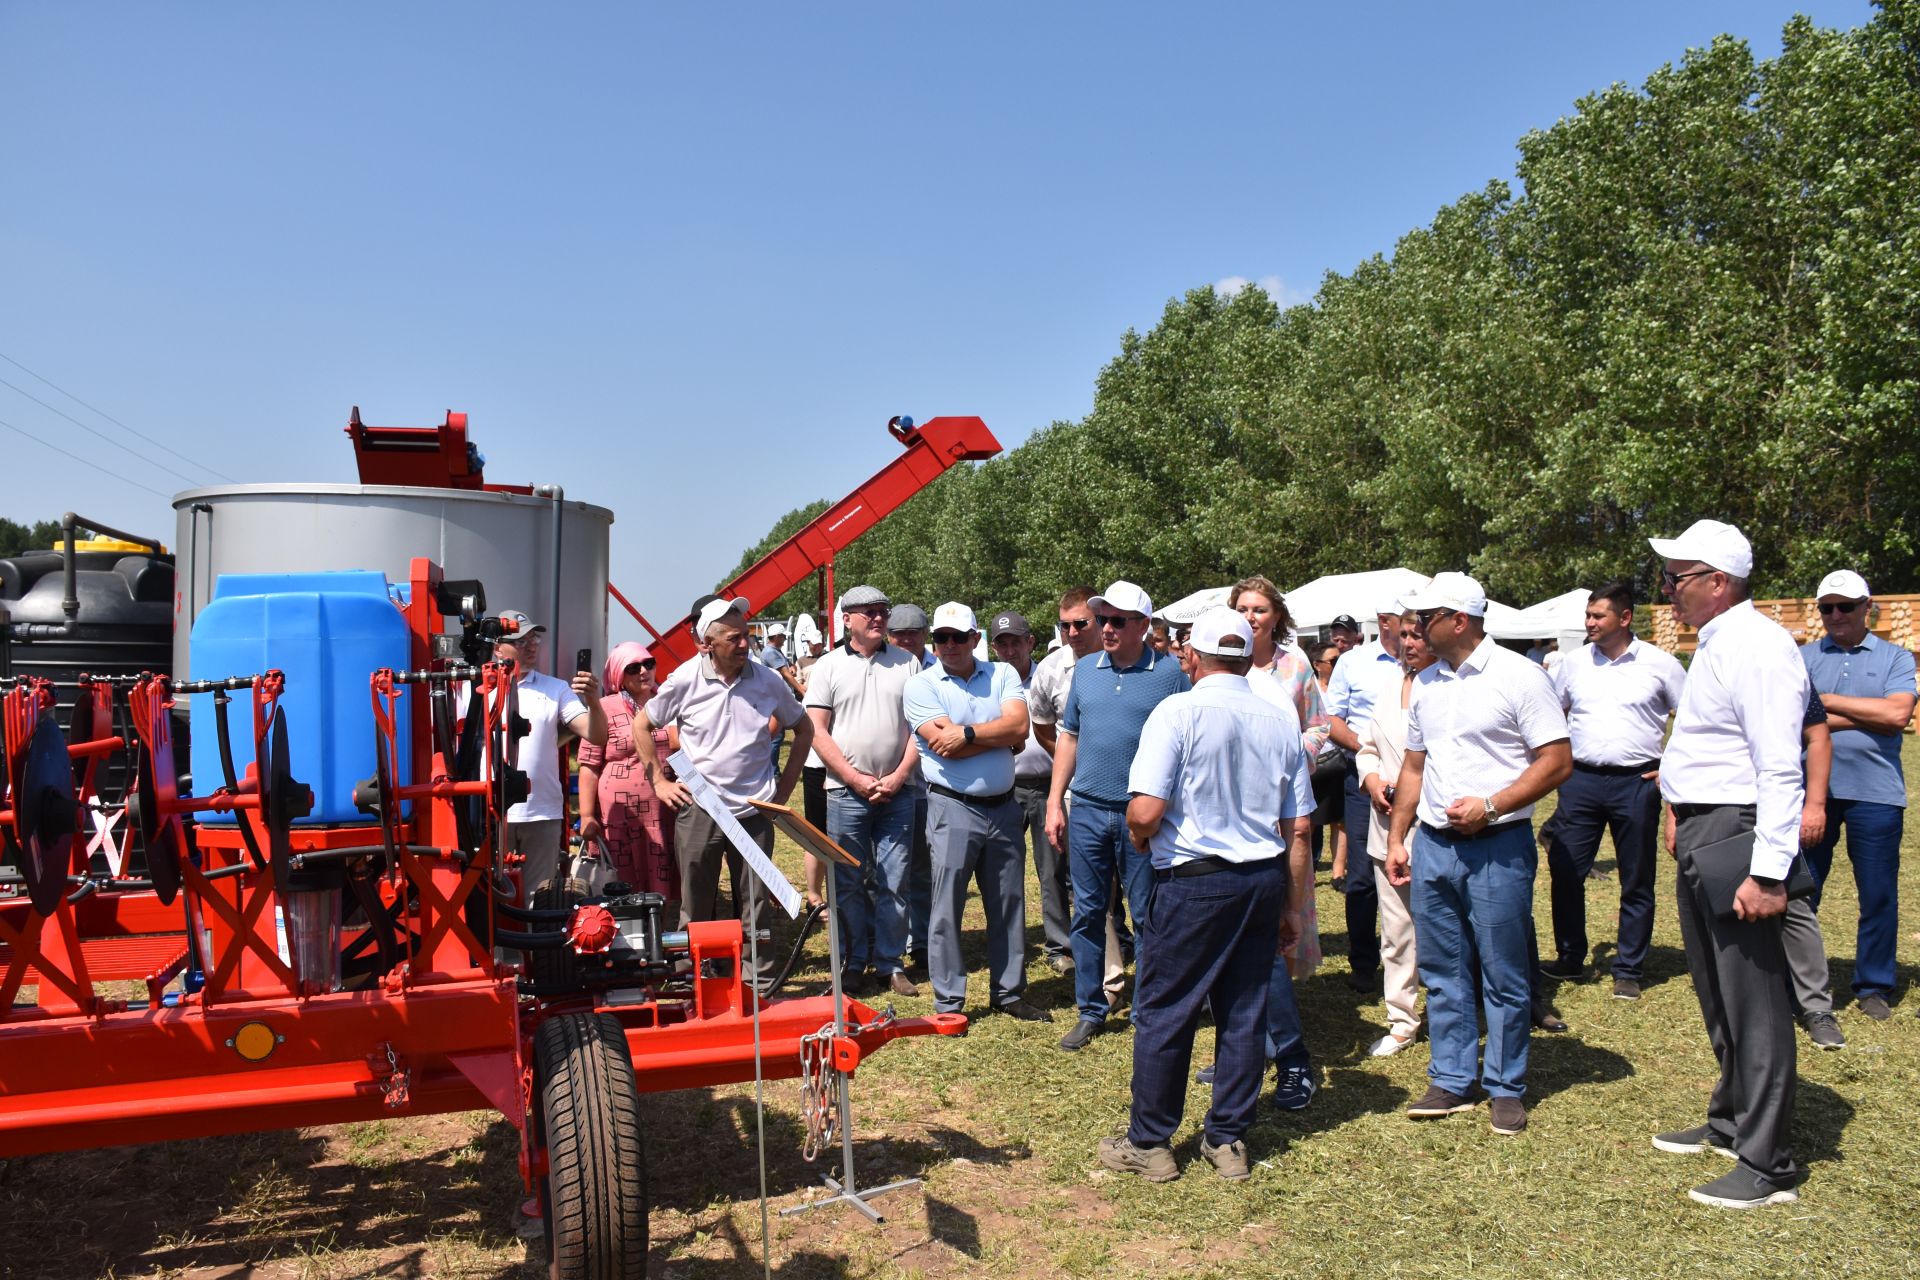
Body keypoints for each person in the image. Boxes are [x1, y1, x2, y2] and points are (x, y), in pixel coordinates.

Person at [1095, 607, 1312, 1183]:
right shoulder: (1279, 718)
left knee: (1167, 1009)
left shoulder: (1178, 710)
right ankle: (1228, 1140)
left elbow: (1145, 808)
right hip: (1260, 878)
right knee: (1244, 1010)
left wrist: (1140, 837)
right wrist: (1292, 907)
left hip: (1195, 881)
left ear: (1192, 656)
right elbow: (1299, 827)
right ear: (1245, 655)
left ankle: (1151, 1142)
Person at [1647, 519, 1806, 1209]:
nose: (1667, 592)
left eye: (1676, 579)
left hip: (1737, 832)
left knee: (1756, 1002)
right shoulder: (1717, 643)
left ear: (1719, 582)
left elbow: (1779, 766)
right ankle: (1732, 1117)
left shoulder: (1760, 648)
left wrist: (1768, 873)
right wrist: (1679, 812)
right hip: (1705, 827)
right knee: (1717, 991)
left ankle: (1768, 1162)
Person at [1384, 572, 1571, 1137]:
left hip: (1498, 846)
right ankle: (1452, 1076)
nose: (1414, 629)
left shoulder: (1520, 676)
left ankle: (1505, 1085)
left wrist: (1492, 805)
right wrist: (1398, 836)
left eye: (1425, 619)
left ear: (1458, 620)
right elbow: (1415, 767)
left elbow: (1557, 760)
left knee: (1503, 971)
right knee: (1442, 968)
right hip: (1436, 846)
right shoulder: (1427, 684)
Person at [634, 596, 813, 990]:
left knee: (756, 902)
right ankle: (694, 981)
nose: (745, 645)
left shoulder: (767, 680)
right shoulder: (684, 679)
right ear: (706, 644)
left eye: (746, 636)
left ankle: (758, 984)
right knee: (696, 903)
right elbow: (642, 725)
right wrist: (659, 782)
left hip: (753, 811)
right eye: (735, 638)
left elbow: (804, 729)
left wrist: (783, 790)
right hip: (700, 807)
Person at [1047, 580, 1191, 1052]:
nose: (1105, 627)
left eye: (1117, 620)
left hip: (1142, 817)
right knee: (1088, 912)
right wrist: (1055, 801)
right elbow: (1068, 736)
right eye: (1101, 618)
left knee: (1149, 915)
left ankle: (1149, 1009)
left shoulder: (1170, 674)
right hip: (1087, 808)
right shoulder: (1086, 670)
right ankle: (1091, 1009)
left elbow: (1187, 744)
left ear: (1144, 626)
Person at [903, 603, 1051, 1022]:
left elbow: (1019, 728)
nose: (948, 645)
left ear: (974, 640)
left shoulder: (1002, 673)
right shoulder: (921, 684)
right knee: (946, 905)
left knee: (1008, 903)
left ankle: (1008, 993)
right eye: (941, 638)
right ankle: (950, 1002)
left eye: (957, 637)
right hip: (952, 806)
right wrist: (999, 736)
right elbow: (939, 743)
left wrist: (967, 732)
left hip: (1003, 807)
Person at [1541, 582, 1686, 1001]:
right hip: (1580, 781)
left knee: (1636, 877)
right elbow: (1553, 714)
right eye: (1587, 616)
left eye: (1598, 616)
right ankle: (1570, 958)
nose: (1589, 623)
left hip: (1637, 782)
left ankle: (1628, 968)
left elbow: (1693, 719)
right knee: (1566, 870)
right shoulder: (1573, 664)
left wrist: (1669, 767)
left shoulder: (1661, 664)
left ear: (1624, 618)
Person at [1227, 574, 1329, 1109]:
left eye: (1260, 609)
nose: (1251, 616)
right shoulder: (1223, 662)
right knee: (1239, 945)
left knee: (1275, 939)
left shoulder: (1294, 666)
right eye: (1242, 608)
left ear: (1276, 616)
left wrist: (1291, 755)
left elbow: (1321, 725)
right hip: (1229, 817)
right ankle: (1245, 1050)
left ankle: (1285, 1055)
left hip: (1284, 814)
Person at [1799, 569, 1915, 1021]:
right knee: (1803, 889)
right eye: (1826, 607)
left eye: (1845, 606)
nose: (1835, 615)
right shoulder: (1802, 657)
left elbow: (1898, 713)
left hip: (1877, 793)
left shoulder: (1896, 656)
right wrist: (1870, 714)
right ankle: (1801, 980)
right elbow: (1792, 717)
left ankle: (1874, 985)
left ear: (1868, 607)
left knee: (1878, 893)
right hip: (1812, 792)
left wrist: (1824, 703)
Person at [804, 585, 923, 996]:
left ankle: (890, 963)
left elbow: (920, 729)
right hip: (845, 791)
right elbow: (816, 731)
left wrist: (899, 776)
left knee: (894, 880)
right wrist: (854, 778)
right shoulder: (828, 666)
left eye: (882, 611)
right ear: (847, 619)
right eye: (869, 612)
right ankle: (853, 961)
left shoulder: (909, 663)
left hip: (897, 793)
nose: (878, 618)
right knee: (848, 882)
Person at [1029, 584, 1130, 989]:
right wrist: (1077, 763)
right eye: (1065, 624)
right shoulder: (1051, 670)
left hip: (1132, 790)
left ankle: (1126, 946)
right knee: (1088, 884)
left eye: (1080, 623)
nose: (1072, 632)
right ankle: (1107, 976)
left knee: (1131, 880)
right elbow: (1043, 727)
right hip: (1078, 790)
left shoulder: (1126, 661)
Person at [1355, 604, 1436, 1056]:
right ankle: (1402, 1017)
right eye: (1404, 634)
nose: (1408, 643)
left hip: (1435, 823)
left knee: (1443, 925)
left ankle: (1451, 1009)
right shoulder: (1389, 686)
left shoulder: (1448, 687)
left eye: (1418, 635)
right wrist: (1370, 779)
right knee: (1397, 927)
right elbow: (1367, 747)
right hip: (1385, 823)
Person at [492, 609, 608, 904]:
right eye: (520, 641)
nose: (531, 646)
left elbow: (595, 734)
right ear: (497, 648)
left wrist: (593, 702)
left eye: (534, 639)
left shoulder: (555, 689)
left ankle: (534, 950)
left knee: (537, 896)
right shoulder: (472, 686)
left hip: (541, 811)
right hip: (489, 811)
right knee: (491, 896)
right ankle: (498, 952)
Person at [1326, 598, 1408, 991]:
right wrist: (1371, 756)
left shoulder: (1427, 661)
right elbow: (1332, 719)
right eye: (1402, 621)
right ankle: (1363, 961)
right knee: (1362, 876)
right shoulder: (1353, 662)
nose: (1411, 628)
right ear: (1382, 622)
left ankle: (1418, 960)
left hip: (1420, 779)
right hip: (1363, 780)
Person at [990, 609, 1070, 972]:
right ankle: (1010, 946)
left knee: (1051, 869)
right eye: (1001, 643)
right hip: (1005, 788)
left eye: (1015, 642)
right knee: (1004, 871)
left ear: (1030, 643)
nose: (1009, 650)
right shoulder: (988, 681)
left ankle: (1059, 947)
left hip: (1048, 785)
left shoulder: (1049, 675)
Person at [577, 642, 677, 905]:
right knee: (623, 877)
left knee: (662, 872)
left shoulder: (666, 703)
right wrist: (587, 815)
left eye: (648, 663)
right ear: (619, 675)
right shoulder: (605, 707)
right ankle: (626, 933)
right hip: (619, 816)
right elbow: (588, 765)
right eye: (633, 668)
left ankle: (659, 930)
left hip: (663, 812)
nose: (643, 671)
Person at [888, 602, 936, 966]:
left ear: (925, 635)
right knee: (890, 869)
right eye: (898, 634)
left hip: (930, 785)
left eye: (912, 633)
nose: (905, 639)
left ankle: (920, 940)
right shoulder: (886, 664)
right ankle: (891, 938)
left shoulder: (940, 669)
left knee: (922, 867)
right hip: (894, 783)